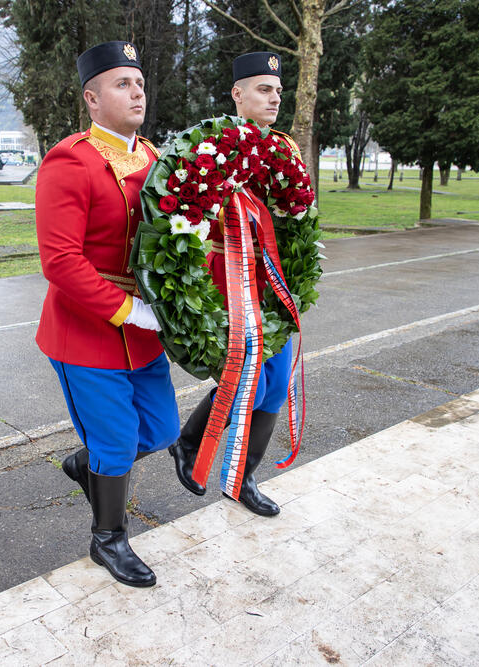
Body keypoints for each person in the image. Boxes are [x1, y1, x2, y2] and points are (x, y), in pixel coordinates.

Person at [36, 41, 179, 588]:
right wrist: (127, 310)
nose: (137, 91)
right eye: (122, 83)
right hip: (88, 332)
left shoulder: (154, 157)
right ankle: (108, 539)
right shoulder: (70, 158)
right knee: (118, 442)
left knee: (162, 429)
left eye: (139, 82)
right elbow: (61, 261)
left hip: (146, 332)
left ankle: (86, 463)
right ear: (92, 100)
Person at [169, 51, 301, 517]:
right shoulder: (212, 146)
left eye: (279, 91)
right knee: (247, 375)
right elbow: (183, 222)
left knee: (276, 380)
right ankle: (188, 443)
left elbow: (295, 220)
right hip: (228, 278)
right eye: (264, 89)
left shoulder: (286, 149)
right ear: (237, 93)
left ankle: (243, 478)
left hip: (272, 280)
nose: (274, 98)